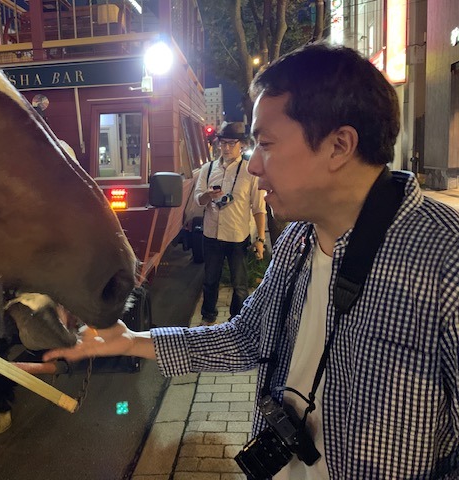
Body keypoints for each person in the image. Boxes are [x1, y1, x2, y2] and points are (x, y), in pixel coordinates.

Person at [44, 43, 459, 478]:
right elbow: (247, 337)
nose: (254, 164)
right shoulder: (299, 238)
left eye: (266, 144)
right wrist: (131, 341)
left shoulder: (444, 262)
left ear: (339, 145)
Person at [194, 121, 267, 325]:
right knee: (210, 280)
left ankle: (238, 321)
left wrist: (261, 239)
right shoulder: (208, 169)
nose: (226, 148)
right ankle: (208, 317)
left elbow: (259, 208)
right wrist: (208, 195)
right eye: (223, 143)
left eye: (231, 143)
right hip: (211, 234)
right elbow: (198, 199)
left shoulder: (250, 172)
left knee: (240, 284)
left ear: (241, 145)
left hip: (237, 236)